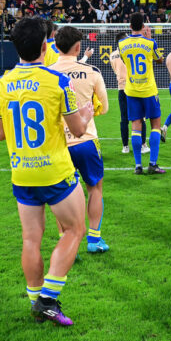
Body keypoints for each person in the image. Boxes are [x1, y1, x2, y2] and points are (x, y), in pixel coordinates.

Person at [0, 17, 93, 326]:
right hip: (54, 171)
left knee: (30, 239)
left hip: (21, 172)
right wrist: (86, 114)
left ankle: (35, 300)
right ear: (43, 45)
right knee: (76, 229)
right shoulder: (57, 81)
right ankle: (48, 299)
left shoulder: (2, 83)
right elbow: (77, 130)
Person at [51, 25, 111, 254]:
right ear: (78, 47)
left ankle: (65, 244)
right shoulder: (92, 72)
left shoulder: (48, 73)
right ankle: (94, 239)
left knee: (60, 193)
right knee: (94, 188)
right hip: (86, 139)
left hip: (58, 144)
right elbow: (104, 108)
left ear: (56, 46)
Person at [117, 13, 165, 174]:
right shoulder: (150, 43)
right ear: (143, 26)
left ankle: (138, 166)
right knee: (155, 125)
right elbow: (159, 60)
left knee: (136, 126)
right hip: (149, 90)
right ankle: (152, 163)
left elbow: (125, 61)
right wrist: (149, 37)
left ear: (130, 26)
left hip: (131, 90)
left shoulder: (121, 43)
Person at [110, 32, 148, 155]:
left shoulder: (112, 55)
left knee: (124, 119)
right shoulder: (130, 52)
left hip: (121, 89)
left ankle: (125, 146)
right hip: (134, 87)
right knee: (140, 117)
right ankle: (143, 145)